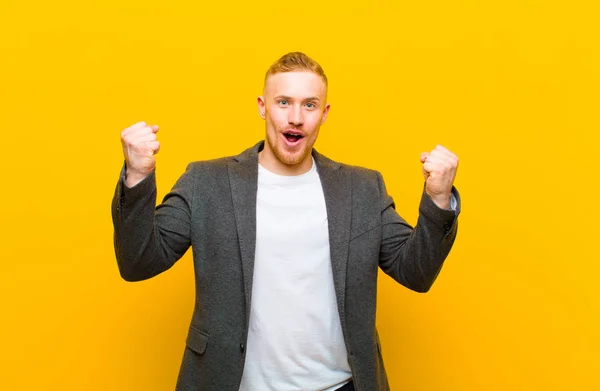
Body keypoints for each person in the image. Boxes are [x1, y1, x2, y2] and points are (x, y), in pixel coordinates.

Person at [112, 52, 460, 391]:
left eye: (309, 105)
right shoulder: (207, 182)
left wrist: (439, 198)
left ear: (323, 114)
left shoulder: (363, 189)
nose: (295, 117)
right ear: (263, 106)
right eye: (283, 102)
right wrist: (138, 176)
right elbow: (138, 261)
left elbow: (416, 272)